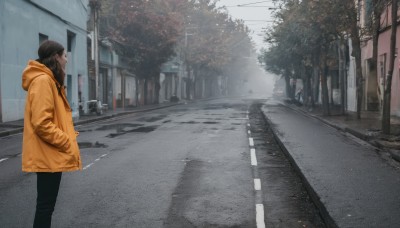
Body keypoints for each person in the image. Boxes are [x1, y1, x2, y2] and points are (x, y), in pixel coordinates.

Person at [21, 40, 82, 228]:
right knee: (45, 207)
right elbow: (41, 123)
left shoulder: (50, 80)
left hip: (51, 154)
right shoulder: (43, 81)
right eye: (64, 56)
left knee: (46, 207)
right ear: (56, 56)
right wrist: (65, 141)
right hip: (49, 153)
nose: (66, 60)